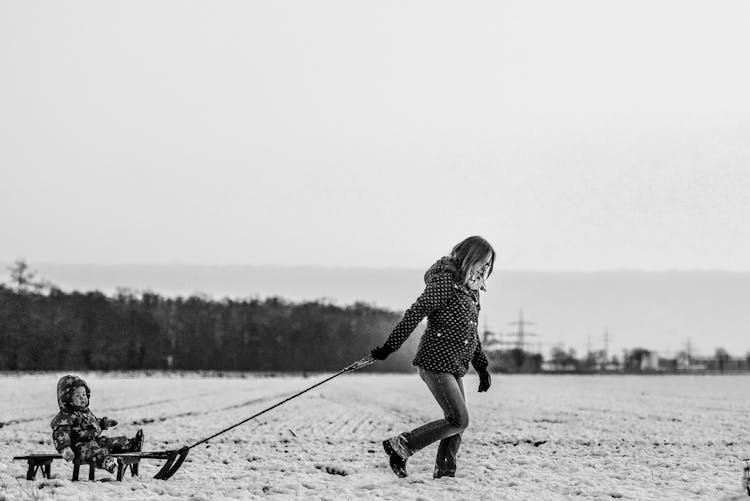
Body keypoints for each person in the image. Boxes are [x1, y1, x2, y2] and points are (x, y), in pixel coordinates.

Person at [370, 235, 494, 479]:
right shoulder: (444, 283)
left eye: (489, 265)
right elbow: (414, 314)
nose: (485, 268)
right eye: (483, 262)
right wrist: (389, 347)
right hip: (435, 363)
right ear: (470, 257)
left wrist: (482, 367)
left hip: (455, 364)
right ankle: (402, 445)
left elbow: (472, 331)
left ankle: (445, 475)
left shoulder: (472, 290)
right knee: (459, 419)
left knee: (457, 423)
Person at [50, 375, 144, 473]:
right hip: (79, 447)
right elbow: (60, 433)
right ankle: (105, 462)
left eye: (83, 394)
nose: (82, 398)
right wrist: (65, 449)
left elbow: (92, 424)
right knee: (92, 451)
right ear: (67, 399)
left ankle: (131, 444)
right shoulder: (66, 415)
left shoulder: (85, 412)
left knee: (108, 442)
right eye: (77, 396)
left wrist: (103, 423)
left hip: (94, 441)